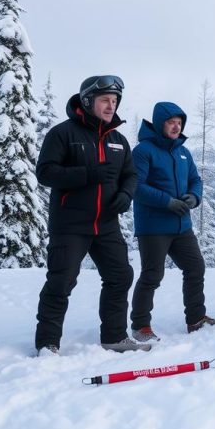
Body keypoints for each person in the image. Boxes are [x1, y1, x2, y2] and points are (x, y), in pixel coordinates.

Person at [34, 76, 149, 354]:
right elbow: (45, 172)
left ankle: (114, 337)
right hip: (70, 224)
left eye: (114, 101)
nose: (111, 106)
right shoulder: (63, 134)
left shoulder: (118, 140)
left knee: (120, 276)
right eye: (104, 100)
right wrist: (87, 175)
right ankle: (47, 342)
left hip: (106, 224)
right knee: (61, 281)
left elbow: (130, 174)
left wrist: (125, 194)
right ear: (88, 102)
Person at [129, 102, 215, 342]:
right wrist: (167, 202)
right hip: (153, 226)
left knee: (195, 267)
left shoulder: (183, 152)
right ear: (160, 123)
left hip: (182, 226)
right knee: (152, 275)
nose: (176, 127)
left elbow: (195, 179)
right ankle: (141, 326)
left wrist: (194, 197)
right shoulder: (143, 151)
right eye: (171, 122)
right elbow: (136, 187)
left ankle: (196, 319)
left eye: (179, 123)